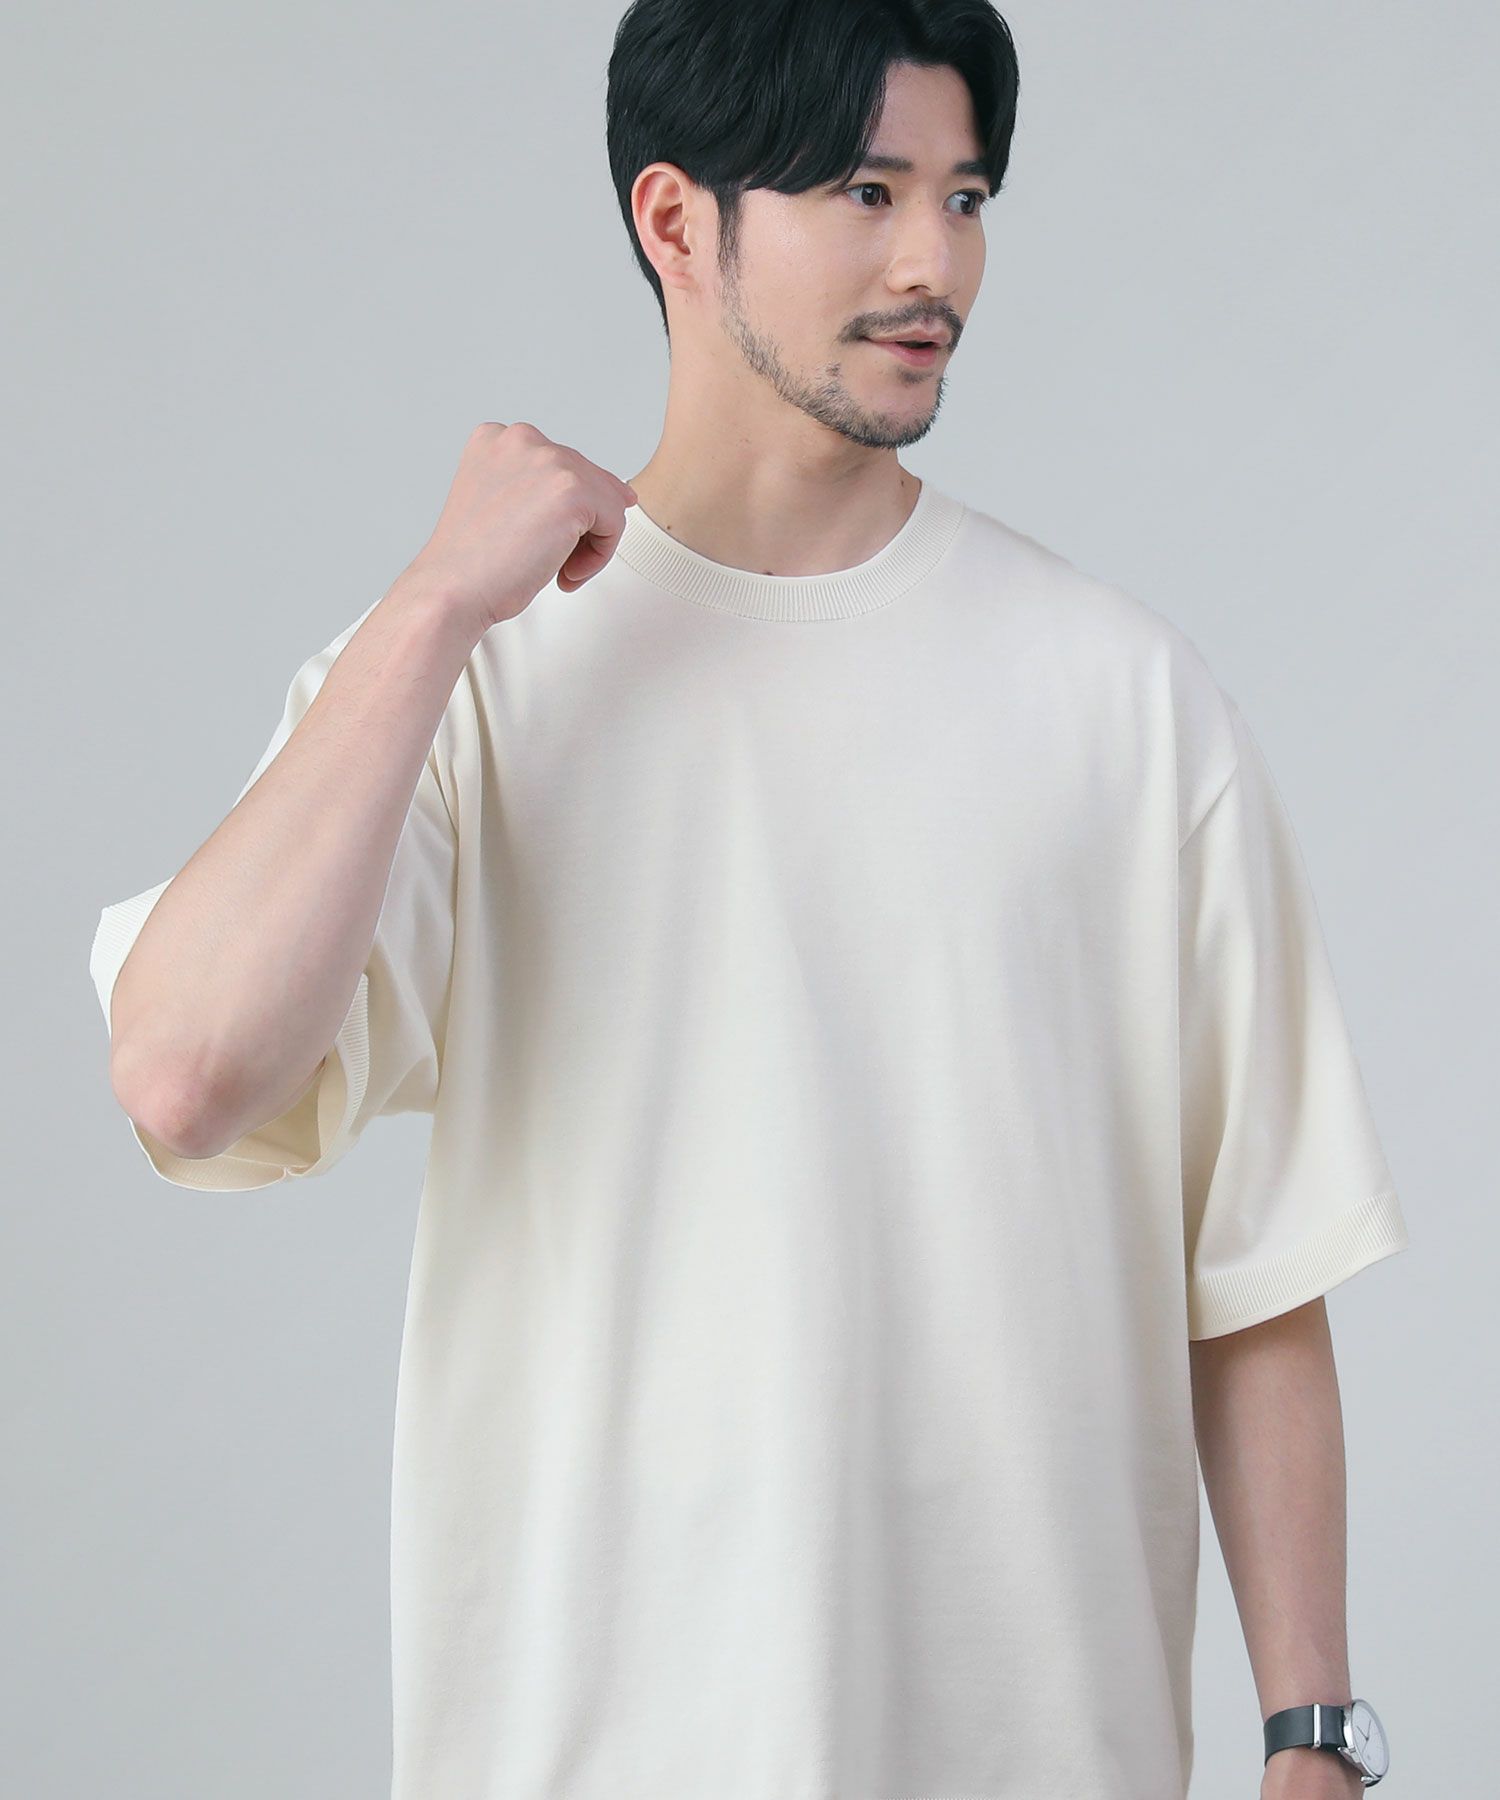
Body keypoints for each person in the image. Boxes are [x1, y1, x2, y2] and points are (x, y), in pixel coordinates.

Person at [88, 3, 1409, 1795]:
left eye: (965, 196)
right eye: (867, 191)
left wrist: (1314, 1738)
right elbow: (187, 1073)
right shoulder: (479, 687)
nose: (934, 262)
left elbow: (1252, 1264)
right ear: (677, 222)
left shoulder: (1123, 700)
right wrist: (428, 610)